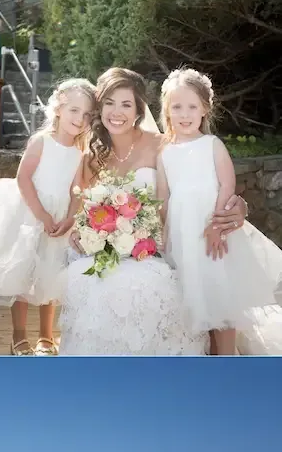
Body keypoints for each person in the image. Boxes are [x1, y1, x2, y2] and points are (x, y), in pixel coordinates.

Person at [58, 67, 244, 356]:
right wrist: (81, 230)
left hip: (157, 247)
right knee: (86, 280)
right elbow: (82, 206)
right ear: (99, 109)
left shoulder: (164, 145)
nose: (116, 112)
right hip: (110, 249)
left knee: (157, 285)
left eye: (126, 104)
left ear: (138, 110)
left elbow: (198, 185)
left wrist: (240, 206)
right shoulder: (91, 156)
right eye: (109, 103)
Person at [0, 79, 93, 355]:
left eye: (86, 114)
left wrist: (70, 217)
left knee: (52, 275)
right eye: (74, 110)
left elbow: (77, 190)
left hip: (60, 219)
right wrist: (42, 215)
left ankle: (46, 336)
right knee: (22, 275)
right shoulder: (42, 141)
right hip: (32, 214)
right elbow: (23, 178)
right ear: (58, 108)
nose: (79, 119)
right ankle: (19, 336)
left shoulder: (81, 152)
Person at [157, 68, 282, 355]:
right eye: (177, 107)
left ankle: (226, 358)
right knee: (196, 296)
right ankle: (208, 355)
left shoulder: (211, 145)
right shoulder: (165, 152)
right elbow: (163, 197)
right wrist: (163, 232)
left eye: (192, 107)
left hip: (213, 233)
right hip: (183, 234)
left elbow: (227, 184)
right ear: (167, 111)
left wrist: (216, 227)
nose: (185, 114)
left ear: (204, 109)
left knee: (221, 296)